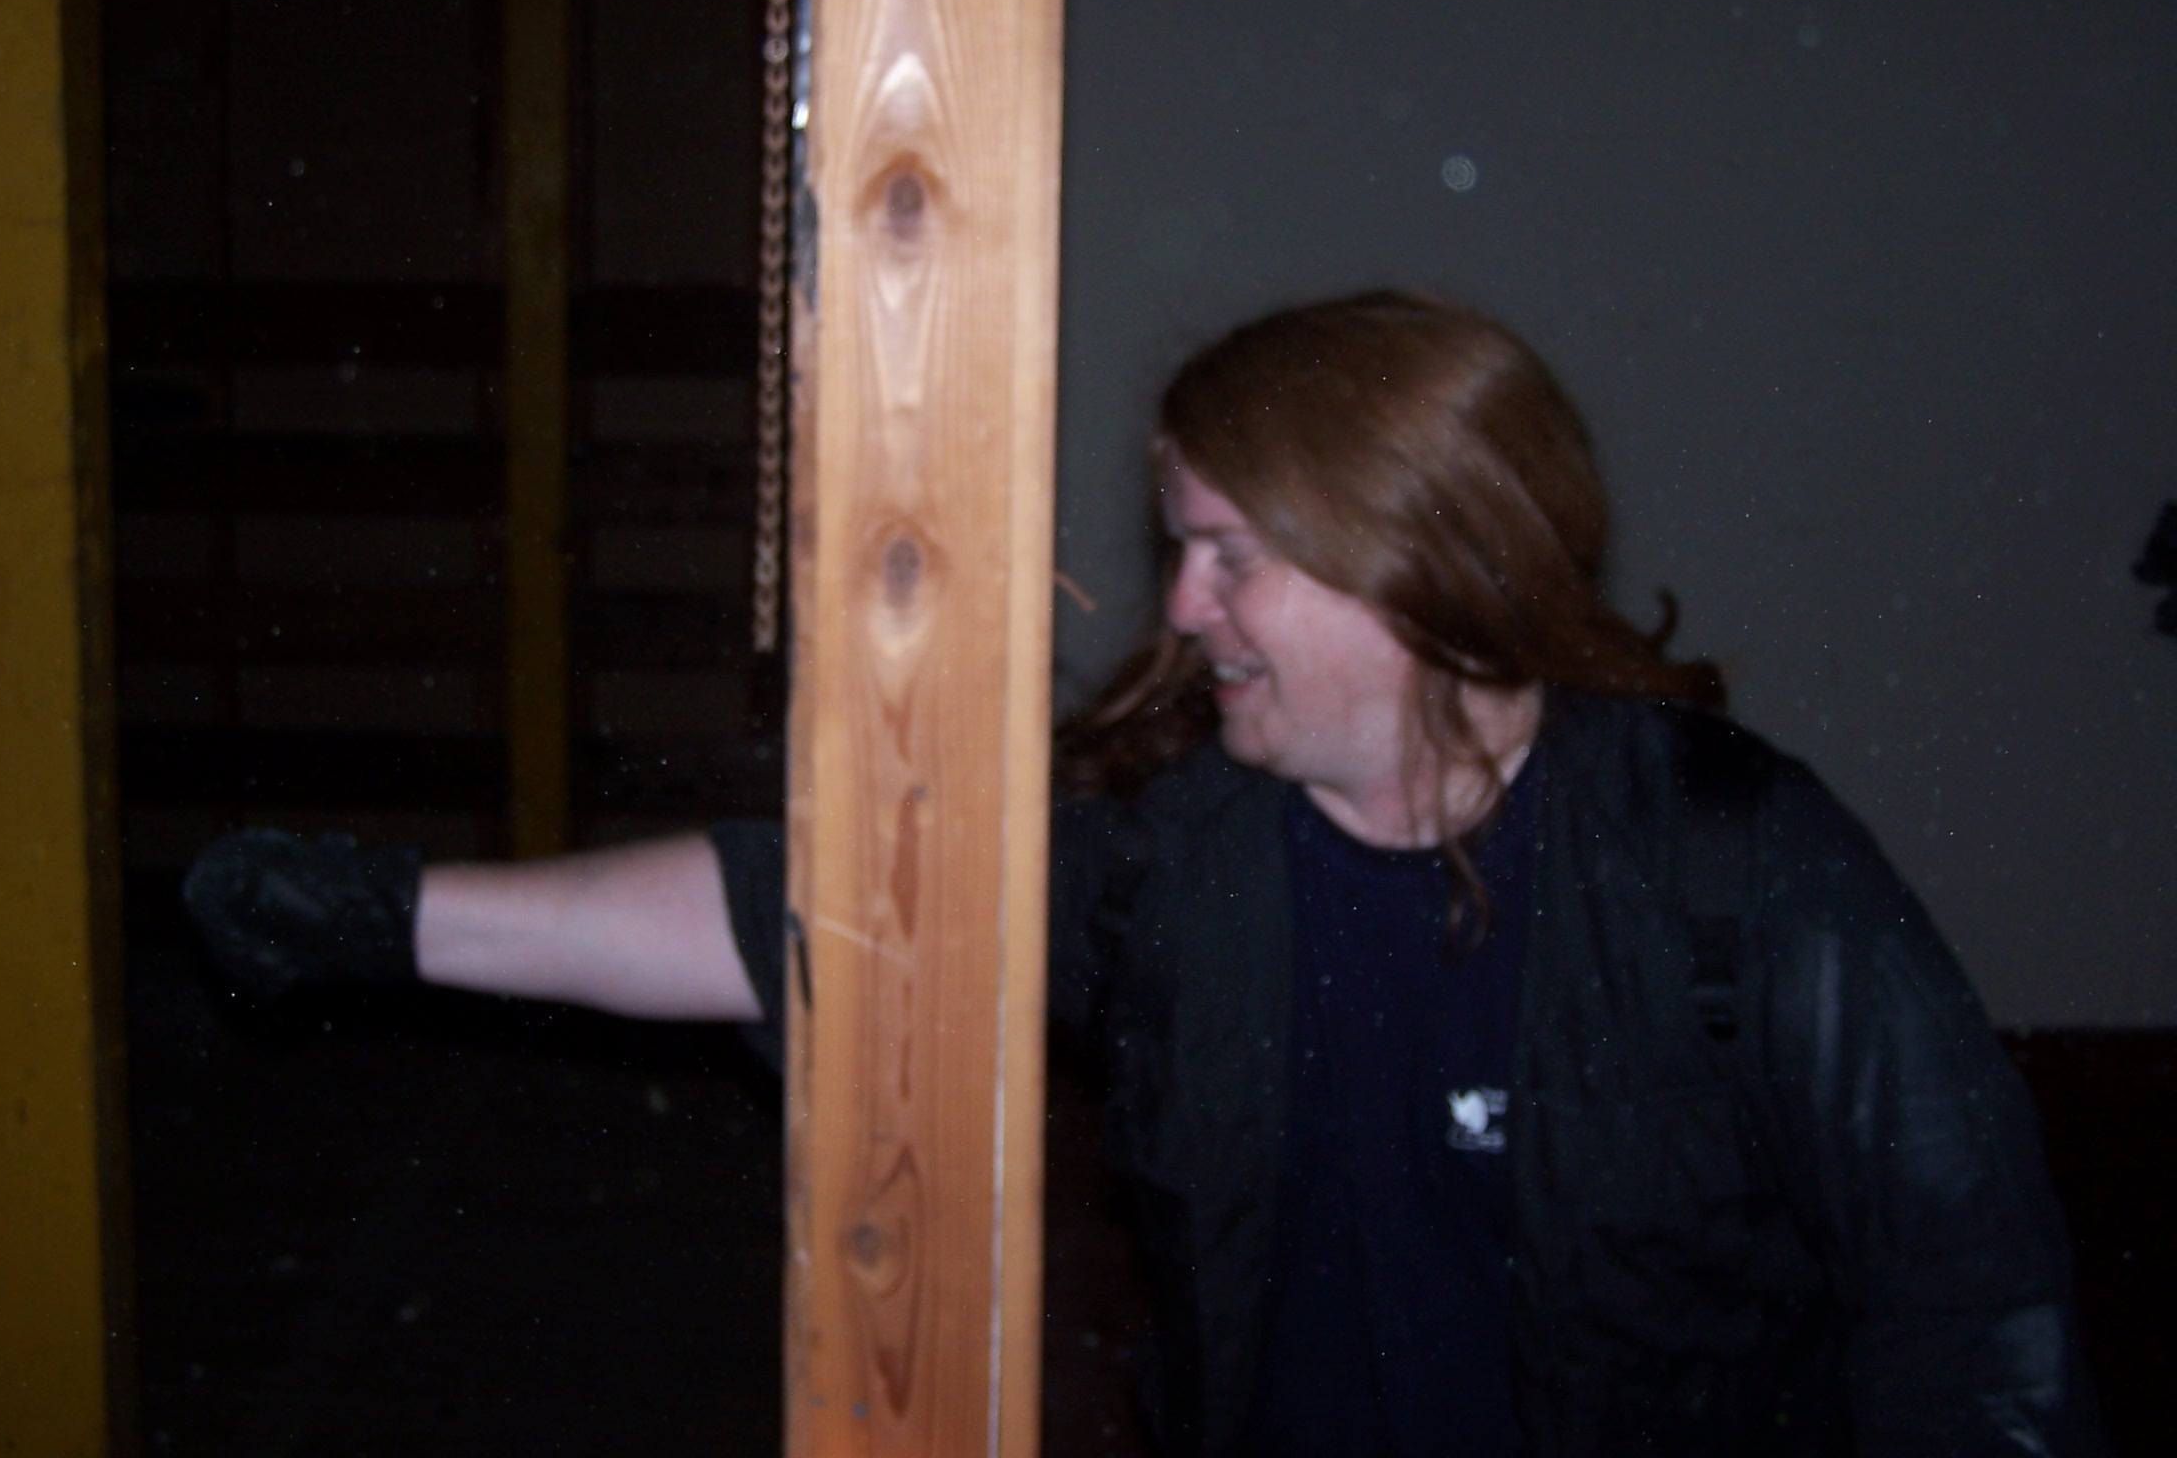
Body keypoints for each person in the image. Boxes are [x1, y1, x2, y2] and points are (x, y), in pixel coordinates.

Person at [186, 292, 2105, 1457]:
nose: (1182, 607)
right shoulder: (1183, 862)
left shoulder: (1730, 866)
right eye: (1180, 546)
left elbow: (1977, 1311)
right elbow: (815, 917)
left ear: (1417, 564)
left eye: (1229, 555)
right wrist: (392, 916)